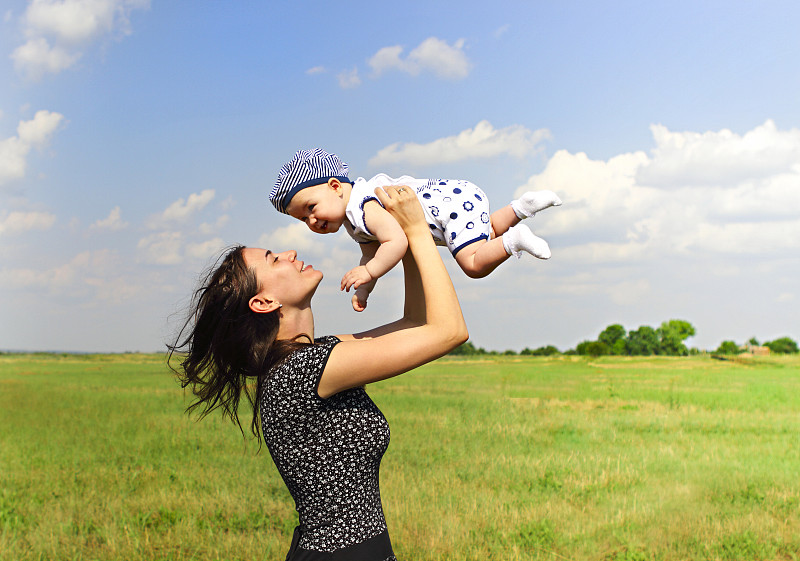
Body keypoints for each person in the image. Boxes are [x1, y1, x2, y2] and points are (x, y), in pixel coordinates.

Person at [170, 185, 468, 561]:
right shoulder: (305, 370)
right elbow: (449, 331)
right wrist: (418, 231)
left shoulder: (313, 358)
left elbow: (417, 322)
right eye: (274, 259)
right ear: (264, 302)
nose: (290, 253)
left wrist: (406, 234)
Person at [269, 147, 562, 311]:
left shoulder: (363, 208)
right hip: (460, 198)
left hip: (448, 208)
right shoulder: (355, 216)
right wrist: (364, 290)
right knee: (487, 238)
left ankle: (516, 239)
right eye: (302, 220)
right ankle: (522, 207)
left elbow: (395, 242)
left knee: (474, 264)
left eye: (311, 208)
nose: (312, 222)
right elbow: (371, 255)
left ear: (335, 187)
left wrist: (369, 273)